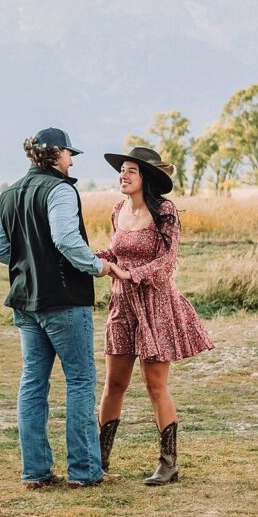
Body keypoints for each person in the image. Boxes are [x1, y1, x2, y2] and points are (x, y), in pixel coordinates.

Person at [0, 127, 119, 490]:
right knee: (79, 381)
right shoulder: (61, 189)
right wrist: (99, 266)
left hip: (25, 302)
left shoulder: (9, 193)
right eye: (70, 154)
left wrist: (30, 260)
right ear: (56, 154)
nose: (72, 160)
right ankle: (84, 471)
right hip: (63, 300)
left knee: (33, 382)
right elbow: (65, 238)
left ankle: (36, 473)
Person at [94, 147, 215, 486]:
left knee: (154, 384)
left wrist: (133, 274)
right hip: (122, 306)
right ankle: (98, 461)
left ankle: (168, 464)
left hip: (155, 307)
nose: (123, 175)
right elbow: (115, 251)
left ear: (145, 176)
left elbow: (168, 261)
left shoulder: (164, 211)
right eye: (122, 170)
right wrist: (91, 259)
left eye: (131, 170)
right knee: (114, 384)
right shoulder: (118, 210)